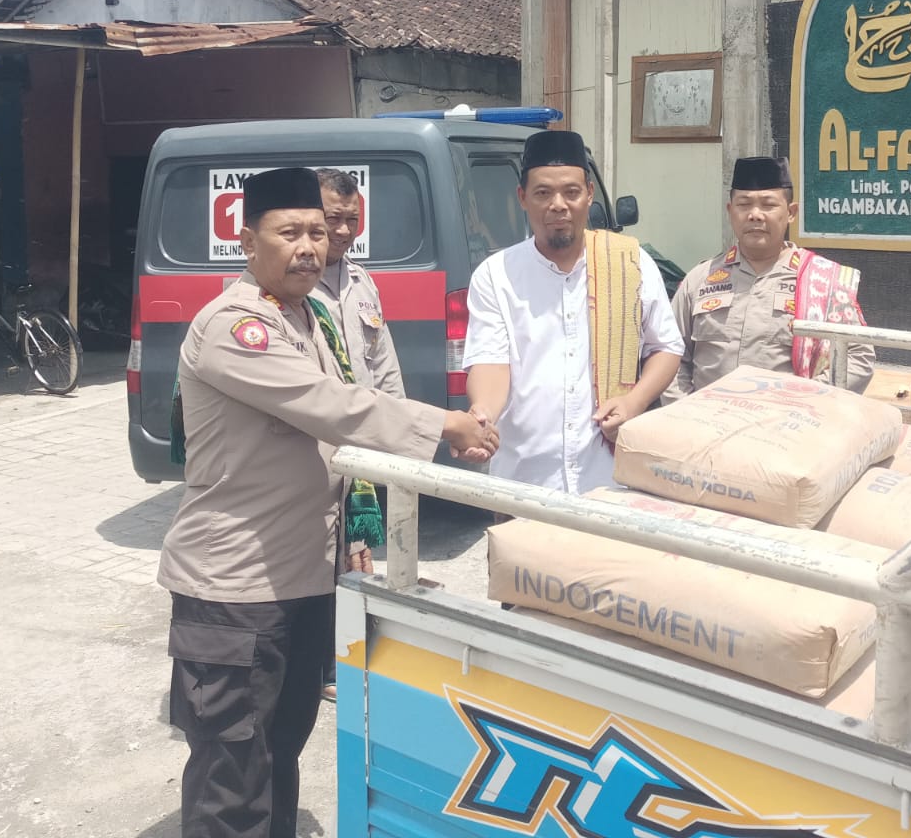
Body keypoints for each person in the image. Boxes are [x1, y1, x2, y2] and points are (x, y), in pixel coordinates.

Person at [158, 166, 495, 838]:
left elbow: (364, 395)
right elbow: (335, 407)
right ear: (246, 241)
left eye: (317, 232)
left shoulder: (310, 317)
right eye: (289, 233)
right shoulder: (236, 325)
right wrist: (447, 425)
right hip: (235, 587)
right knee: (232, 768)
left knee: (281, 747)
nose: (308, 246)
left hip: (302, 577)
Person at [464, 129, 682, 493]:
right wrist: (482, 415)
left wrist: (634, 401)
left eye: (571, 192)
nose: (558, 205)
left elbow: (666, 347)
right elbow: (490, 361)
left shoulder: (629, 263)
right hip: (524, 482)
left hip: (612, 481)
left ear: (589, 194)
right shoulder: (497, 274)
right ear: (522, 198)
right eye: (543, 193)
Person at [664, 156, 875, 404]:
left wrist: (804, 401)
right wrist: (685, 413)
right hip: (703, 427)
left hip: (789, 428)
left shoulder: (824, 281)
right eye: (744, 205)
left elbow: (857, 356)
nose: (755, 215)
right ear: (730, 212)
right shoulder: (700, 279)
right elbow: (668, 353)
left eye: (768, 205)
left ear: (791, 213)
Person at [310, 167, 403, 702]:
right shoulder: (292, 287)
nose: (343, 231)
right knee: (322, 552)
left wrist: (399, 433)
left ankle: (349, 653)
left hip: (360, 446)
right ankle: (324, 665)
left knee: (359, 547)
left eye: (351, 220)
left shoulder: (363, 282)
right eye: (332, 219)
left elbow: (382, 364)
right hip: (316, 445)